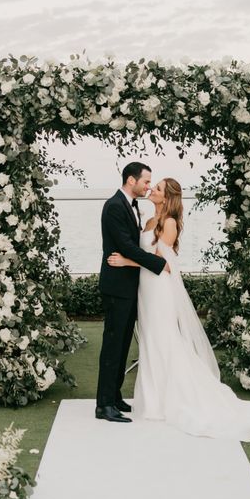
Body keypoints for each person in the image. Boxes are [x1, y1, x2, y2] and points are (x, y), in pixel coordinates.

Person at [107, 177, 250, 442]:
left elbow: (164, 265)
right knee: (150, 340)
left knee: (164, 339)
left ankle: (169, 400)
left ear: (167, 197)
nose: (152, 189)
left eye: (157, 188)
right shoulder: (149, 220)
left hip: (159, 290)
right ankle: (152, 399)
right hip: (145, 290)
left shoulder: (169, 223)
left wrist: (127, 261)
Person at [95, 161, 169, 423]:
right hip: (117, 286)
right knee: (113, 345)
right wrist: (160, 264)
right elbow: (126, 246)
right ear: (131, 180)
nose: (148, 186)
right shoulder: (114, 206)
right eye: (146, 181)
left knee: (124, 343)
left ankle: (114, 397)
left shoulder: (131, 205)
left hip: (130, 287)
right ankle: (104, 405)